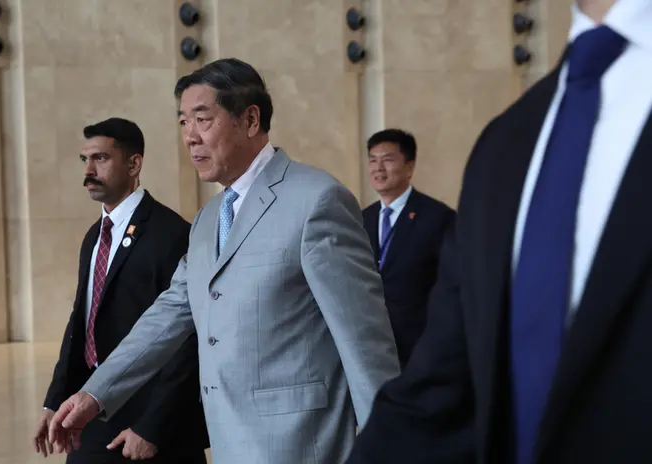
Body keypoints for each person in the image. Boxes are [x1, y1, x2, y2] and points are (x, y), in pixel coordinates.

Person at [47, 58, 400, 464]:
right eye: (183, 122)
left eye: (203, 119)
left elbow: (364, 340)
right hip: (228, 440)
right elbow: (168, 314)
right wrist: (95, 392)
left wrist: (391, 440)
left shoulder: (316, 201)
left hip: (300, 444)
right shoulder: (208, 220)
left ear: (250, 120)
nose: (190, 137)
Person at [346, 0, 652, 463]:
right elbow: (443, 391)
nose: (379, 169)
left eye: (388, 159)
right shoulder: (506, 143)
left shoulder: (438, 211)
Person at [32, 118, 208, 463]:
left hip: (151, 424)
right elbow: (81, 324)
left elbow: (189, 339)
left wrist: (152, 428)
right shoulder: (93, 237)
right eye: (84, 160)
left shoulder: (171, 234)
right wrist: (55, 402)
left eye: (100, 158)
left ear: (134, 163)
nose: (89, 169)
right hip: (94, 408)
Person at [362, 129, 456, 367]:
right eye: (373, 160)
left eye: (388, 160)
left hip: (421, 348)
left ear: (409, 167)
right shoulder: (361, 219)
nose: (378, 168)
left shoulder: (438, 218)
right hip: (372, 347)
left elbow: (453, 283)